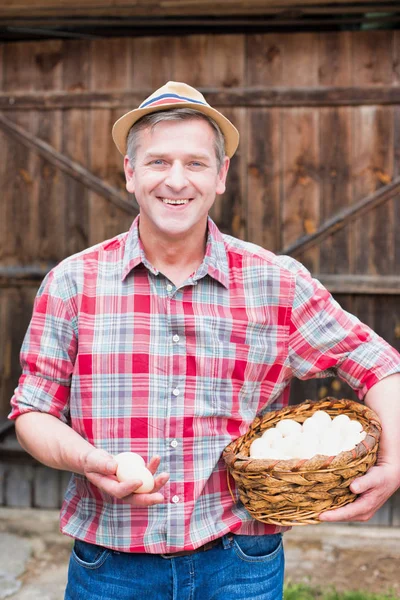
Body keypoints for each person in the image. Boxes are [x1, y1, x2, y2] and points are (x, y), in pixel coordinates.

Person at [9, 81, 400, 600]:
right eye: (157, 162)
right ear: (130, 173)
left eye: (195, 163)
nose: (176, 180)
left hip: (239, 563)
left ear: (220, 176)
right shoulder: (72, 283)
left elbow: (378, 363)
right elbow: (33, 411)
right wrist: (90, 462)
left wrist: (394, 464)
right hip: (110, 567)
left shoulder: (275, 282)